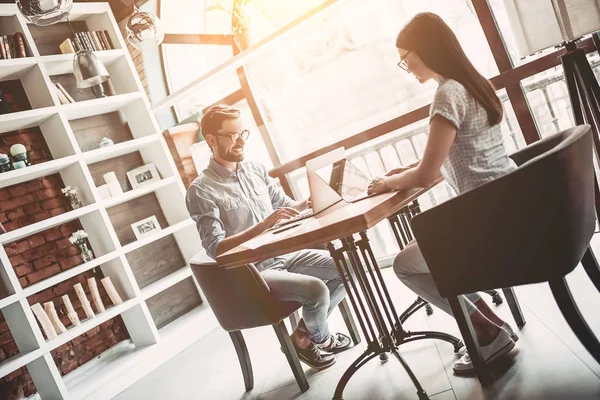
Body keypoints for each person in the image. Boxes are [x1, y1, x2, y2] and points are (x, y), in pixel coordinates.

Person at [367, 12, 518, 374]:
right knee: (425, 255)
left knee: (406, 265)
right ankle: (489, 327)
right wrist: (404, 173)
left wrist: (388, 183)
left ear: (425, 50)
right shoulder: (472, 83)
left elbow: (427, 174)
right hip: (513, 207)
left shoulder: (447, 93)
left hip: (489, 223)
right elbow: (442, 159)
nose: (406, 67)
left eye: (406, 58)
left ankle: (485, 331)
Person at [186, 104, 351, 370]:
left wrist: (308, 203)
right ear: (212, 140)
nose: (241, 141)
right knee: (317, 290)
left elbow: (283, 204)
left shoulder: (255, 169)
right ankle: (323, 339)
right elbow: (216, 249)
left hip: (287, 255)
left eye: (243, 133)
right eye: (232, 135)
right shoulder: (200, 191)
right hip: (253, 274)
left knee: (350, 265)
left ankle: (303, 337)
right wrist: (263, 226)